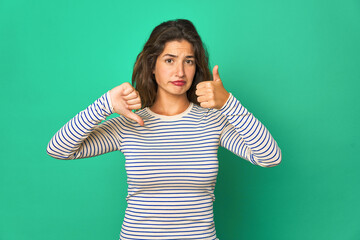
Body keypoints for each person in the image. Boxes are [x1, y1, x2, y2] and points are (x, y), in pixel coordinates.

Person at [47, 19, 281, 240]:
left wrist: (228, 102)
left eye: (188, 61)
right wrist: (105, 103)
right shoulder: (129, 124)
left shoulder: (213, 121)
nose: (180, 71)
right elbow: (59, 149)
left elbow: (269, 157)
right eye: (169, 60)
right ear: (152, 66)